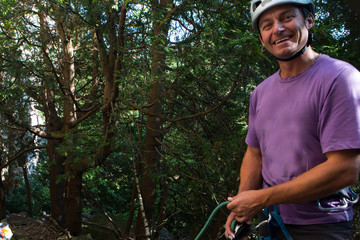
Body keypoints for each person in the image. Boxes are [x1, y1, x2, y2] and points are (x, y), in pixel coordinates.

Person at [224, 0, 360, 239]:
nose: (277, 29)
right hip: (273, 222)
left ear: (308, 20)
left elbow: (346, 169)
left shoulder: (341, 78)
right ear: (261, 38)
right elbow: (254, 154)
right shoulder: (261, 93)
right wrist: (242, 207)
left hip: (321, 226)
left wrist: (261, 198)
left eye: (286, 17)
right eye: (266, 25)